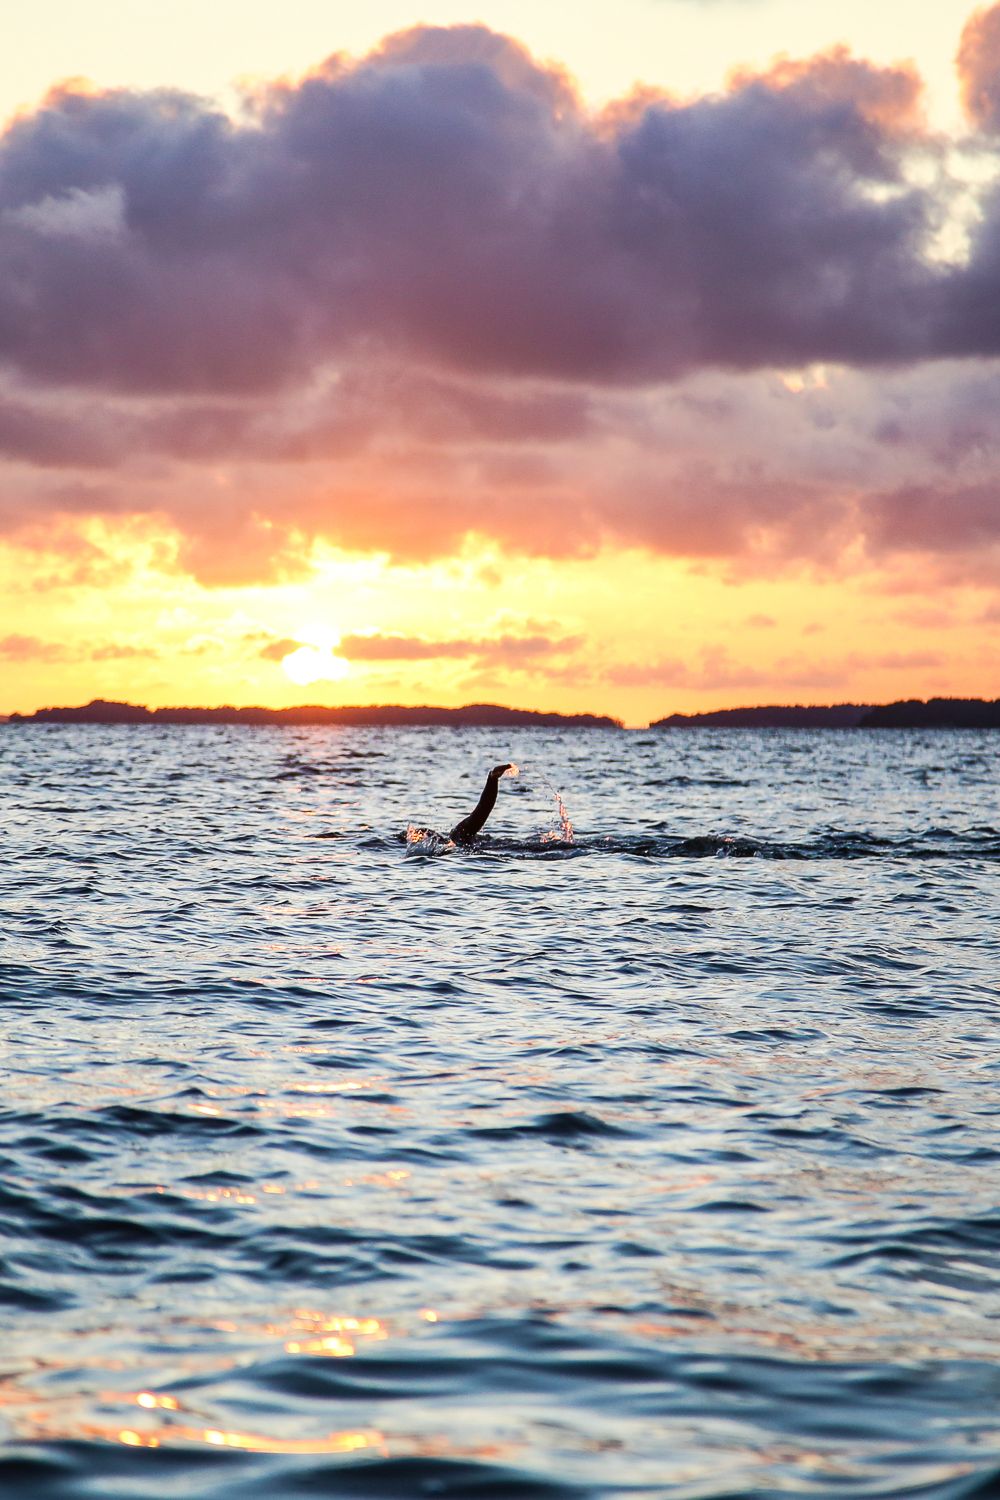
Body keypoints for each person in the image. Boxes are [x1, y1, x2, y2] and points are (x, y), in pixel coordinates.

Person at [450, 764, 515, 844]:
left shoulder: (457, 836)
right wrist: (492, 779)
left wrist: (492, 780)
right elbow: (482, 811)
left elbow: (482, 811)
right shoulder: (458, 837)